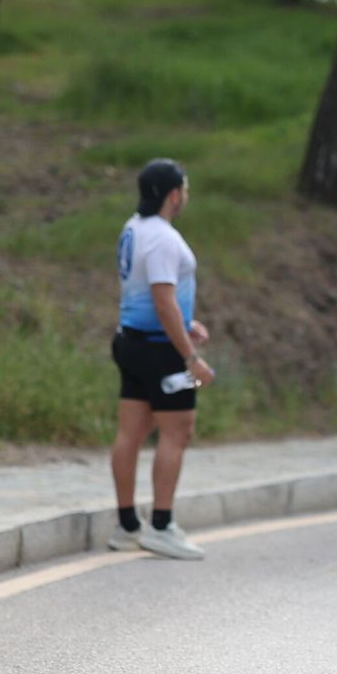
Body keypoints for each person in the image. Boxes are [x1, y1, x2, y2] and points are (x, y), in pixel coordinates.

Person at [107, 159, 215, 560]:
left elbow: (153, 298)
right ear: (174, 194)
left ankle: (127, 524)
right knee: (178, 430)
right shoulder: (164, 238)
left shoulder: (133, 228)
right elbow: (163, 298)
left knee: (131, 431)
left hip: (131, 342)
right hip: (161, 351)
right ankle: (163, 525)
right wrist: (191, 357)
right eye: (184, 189)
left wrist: (187, 323)